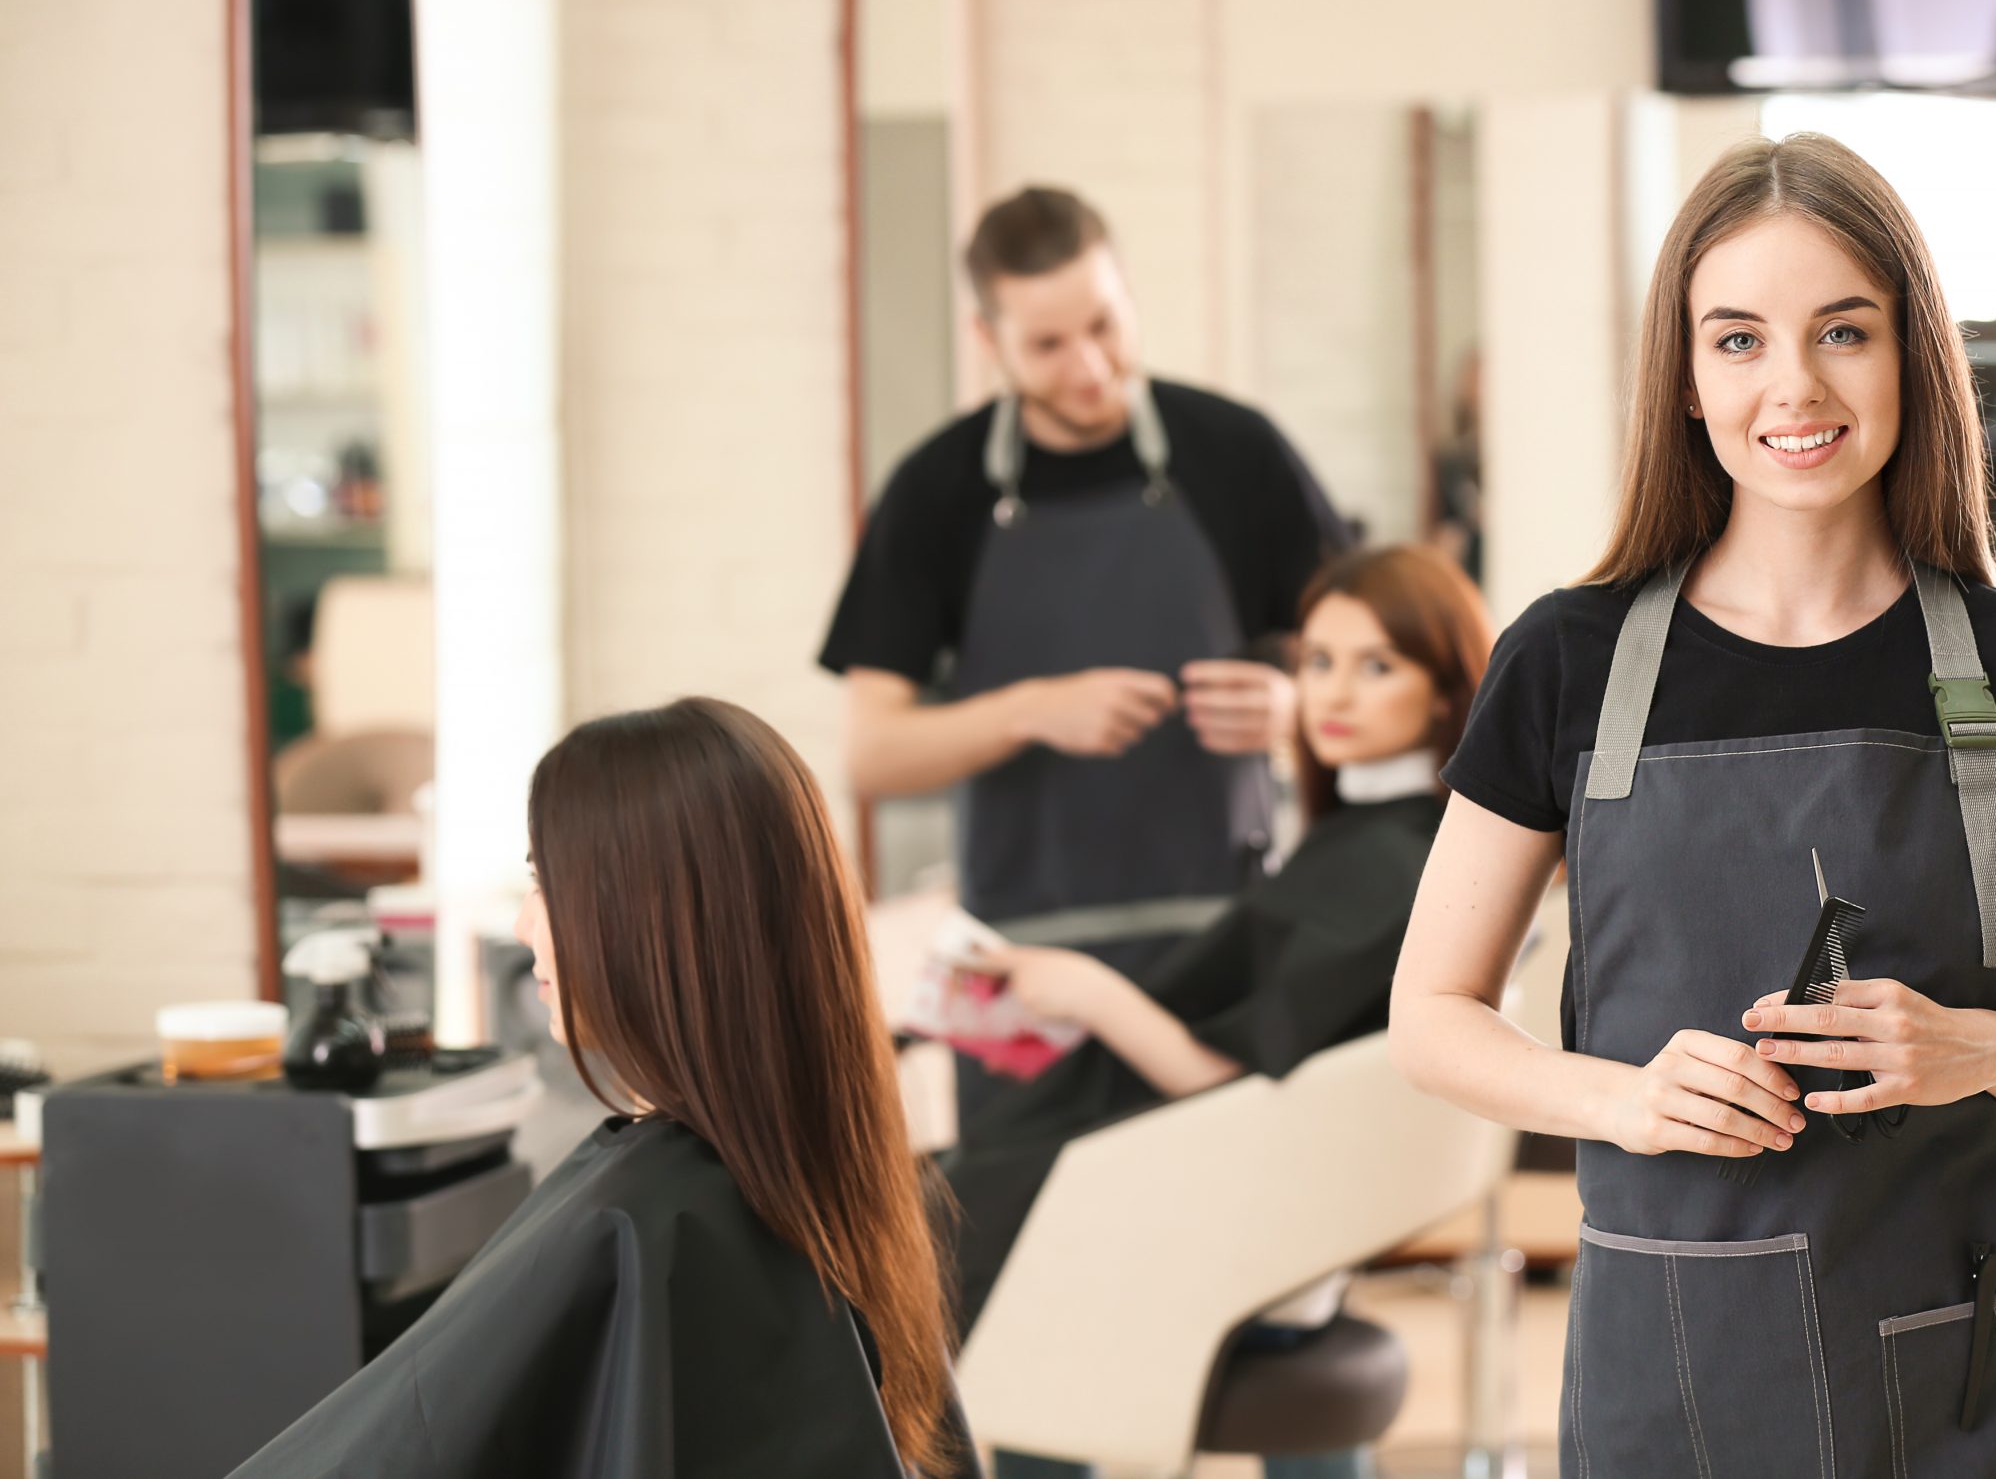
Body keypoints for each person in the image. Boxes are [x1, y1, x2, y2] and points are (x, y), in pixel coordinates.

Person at [1389, 134, 1996, 1477]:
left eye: (1842, 331)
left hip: (1968, 1380)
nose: (1793, 385)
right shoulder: (1567, 661)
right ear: (1684, 378)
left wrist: (1975, 1047)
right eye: (1738, 339)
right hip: (1670, 1374)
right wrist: (1624, 1099)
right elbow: (1431, 1016)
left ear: (1911, 354)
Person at [231, 699, 972, 1479]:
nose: (524, 926)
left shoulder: (645, 1217)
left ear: (656, 918)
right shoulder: (837, 1180)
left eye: (548, 885)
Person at [939, 545, 1491, 1479]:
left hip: (1245, 1200)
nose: (1333, 694)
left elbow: (1237, 1077)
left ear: (1446, 693)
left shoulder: (1393, 865)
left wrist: (1091, 992)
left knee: (935, 1220)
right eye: (1316, 661)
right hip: (1244, 1184)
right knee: (956, 1200)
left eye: (1376, 664)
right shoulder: (1385, 843)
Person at [819, 187, 1350, 1131]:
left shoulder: (1240, 454)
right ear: (990, 339)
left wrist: (1294, 710)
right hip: (1021, 978)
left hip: (1222, 952)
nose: (1093, 368)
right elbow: (870, 754)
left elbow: (1382, 674)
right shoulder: (935, 492)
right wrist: (1027, 710)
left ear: (1128, 293)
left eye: (1104, 325)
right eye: (1049, 346)